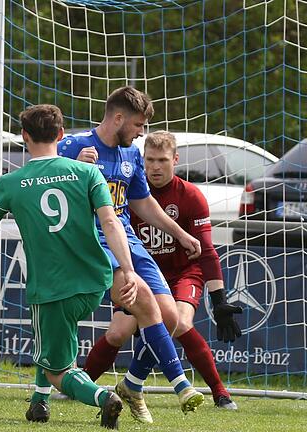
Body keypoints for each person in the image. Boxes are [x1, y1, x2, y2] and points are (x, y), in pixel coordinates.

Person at [0, 104, 131, 429]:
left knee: (58, 371)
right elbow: (110, 222)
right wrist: (128, 270)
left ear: (24, 136)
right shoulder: (88, 172)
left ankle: (104, 398)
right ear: (61, 135)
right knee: (50, 339)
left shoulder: (12, 182)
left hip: (52, 287)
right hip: (94, 281)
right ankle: (38, 403)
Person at [57, 86, 204, 424]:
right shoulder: (75, 147)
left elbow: (141, 202)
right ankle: (181, 384)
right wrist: (72, 169)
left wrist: (180, 234)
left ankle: (133, 383)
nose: (141, 134)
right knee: (143, 307)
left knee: (171, 318)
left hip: (128, 243)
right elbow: (45, 184)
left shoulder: (131, 154)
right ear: (119, 118)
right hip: (93, 243)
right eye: (138, 126)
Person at [85, 130, 240, 409]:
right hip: (142, 273)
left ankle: (219, 391)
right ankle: (81, 384)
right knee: (118, 332)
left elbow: (205, 250)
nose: (155, 167)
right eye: (150, 160)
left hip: (182, 273)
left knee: (179, 321)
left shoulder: (191, 196)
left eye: (162, 161)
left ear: (175, 160)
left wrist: (220, 300)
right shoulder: (127, 194)